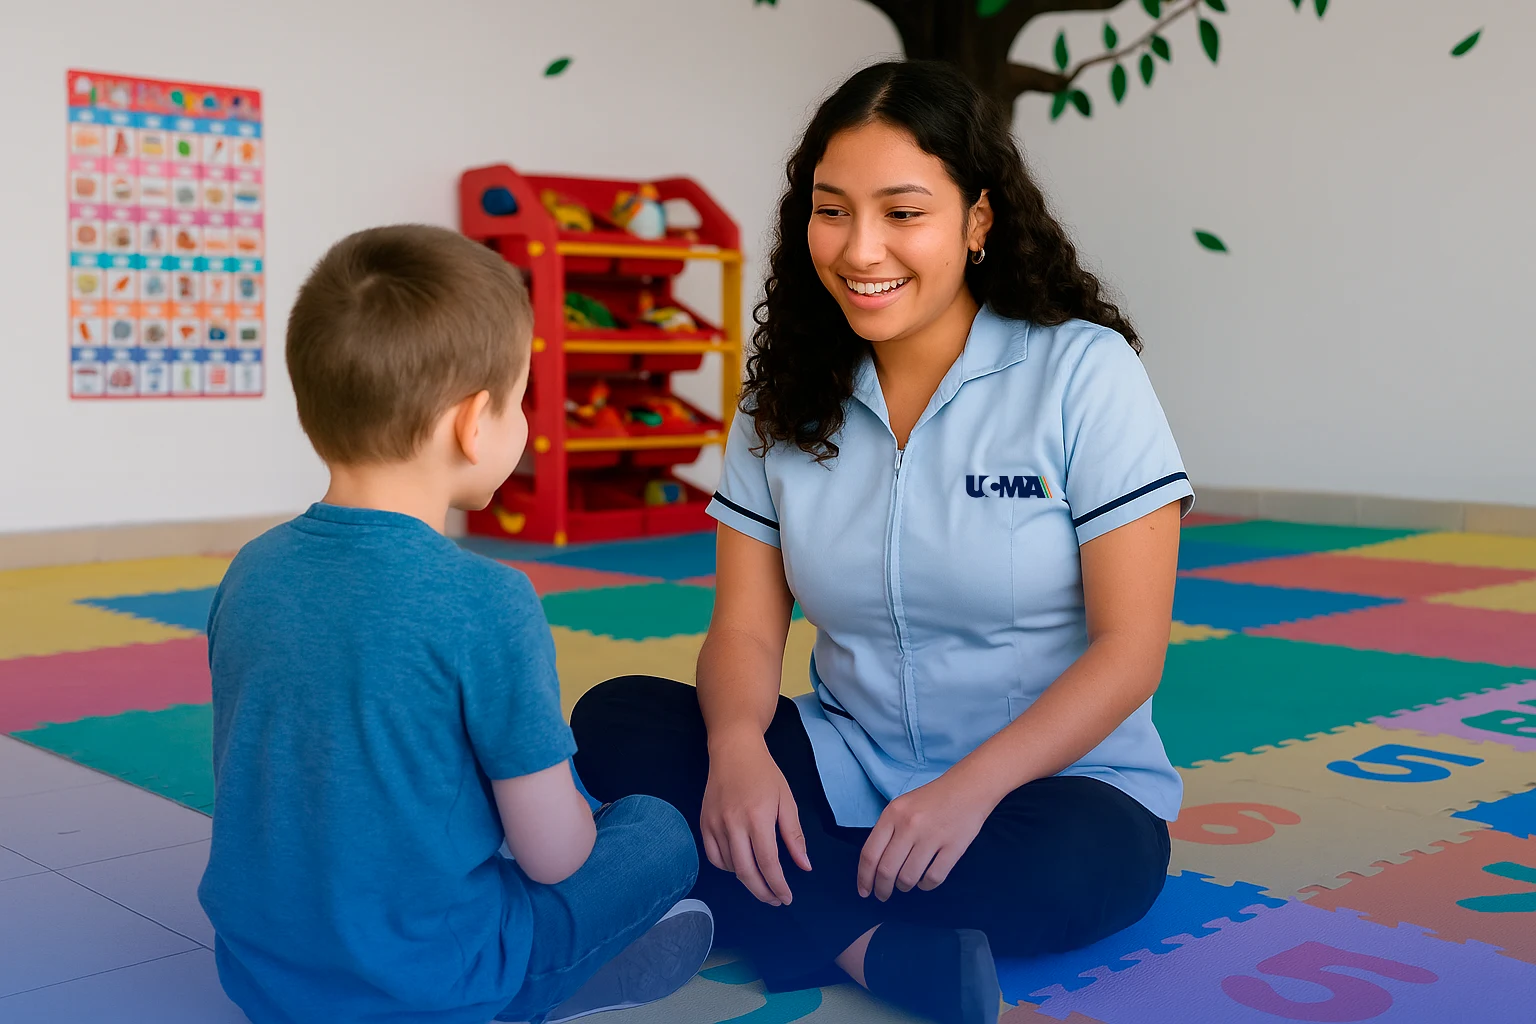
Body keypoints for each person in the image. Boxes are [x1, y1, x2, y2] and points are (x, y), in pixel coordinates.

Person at [571, 61, 1193, 1024]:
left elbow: (1129, 651)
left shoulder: (1081, 372)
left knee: (1076, 873)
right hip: (845, 759)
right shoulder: (780, 402)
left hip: (1053, 787)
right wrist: (737, 747)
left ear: (977, 220)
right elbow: (742, 631)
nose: (861, 249)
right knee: (616, 719)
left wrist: (966, 794)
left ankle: (737, 896)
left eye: (904, 212)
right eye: (833, 211)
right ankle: (870, 946)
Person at [197, 225, 713, 1024]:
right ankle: (550, 987)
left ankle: (571, 972)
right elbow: (555, 858)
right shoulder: (487, 598)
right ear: (474, 423)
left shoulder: (251, 571)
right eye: (519, 400)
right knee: (653, 830)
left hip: (266, 979)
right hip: (434, 985)